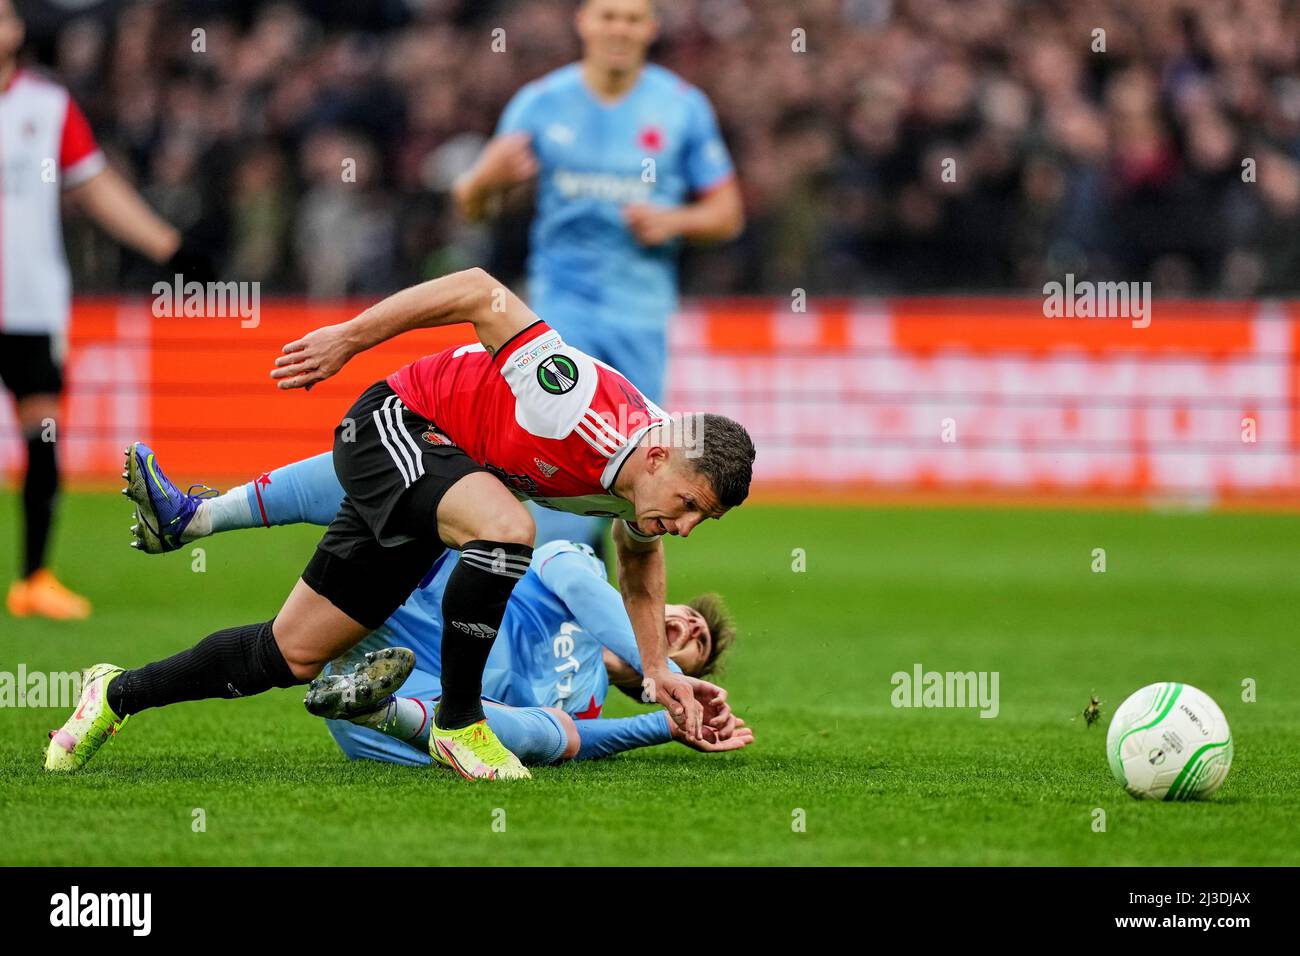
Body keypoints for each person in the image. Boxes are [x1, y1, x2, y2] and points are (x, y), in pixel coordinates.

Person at [46, 266, 755, 781]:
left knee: (288, 656)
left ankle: (114, 694)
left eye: (703, 521)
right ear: (660, 453)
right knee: (509, 529)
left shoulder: (641, 493)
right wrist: (350, 338)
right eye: (690, 505)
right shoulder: (574, 403)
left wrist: (658, 671)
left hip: (438, 477)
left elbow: (637, 565)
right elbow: (480, 289)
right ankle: (459, 722)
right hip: (394, 422)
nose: (686, 527)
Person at [113, 445, 748, 770]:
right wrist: (661, 663)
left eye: (694, 644)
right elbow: (572, 575)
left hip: (405, 695)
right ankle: (201, 517)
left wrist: (669, 725)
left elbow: (585, 738)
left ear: (651, 688)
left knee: (547, 738)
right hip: (408, 589)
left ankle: (375, 703)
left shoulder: (584, 703)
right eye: (687, 616)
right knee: (396, 472)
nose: (684, 626)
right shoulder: (585, 579)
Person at [453, 0, 743, 551]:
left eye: (633, 18)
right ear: (584, 21)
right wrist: (483, 181)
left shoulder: (682, 107)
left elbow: (727, 214)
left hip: (640, 317)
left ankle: (578, 590)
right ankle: (553, 584)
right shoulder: (539, 103)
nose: (620, 29)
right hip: (560, 313)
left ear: (651, 28)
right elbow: (471, 206)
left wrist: (675, 220)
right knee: (550, 451)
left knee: (633, 468)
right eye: (609, 15)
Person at [0, 0, 210, 620]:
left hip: (30, 304)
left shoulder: (47, 107)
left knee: (43, 433)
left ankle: (34, 579)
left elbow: (94, 185)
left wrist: (168, 245)